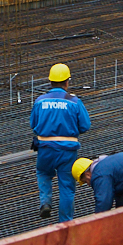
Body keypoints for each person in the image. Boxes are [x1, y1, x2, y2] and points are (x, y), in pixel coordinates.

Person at [30, 63, 90, 220]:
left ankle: (45, 202)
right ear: (67, 81)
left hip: (45, 148)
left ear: (50, 82)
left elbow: (33, 125)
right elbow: (85, 125)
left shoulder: (40, 101)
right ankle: (65, 222)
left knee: (43, 173)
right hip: (67, 151)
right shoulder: (74, 101)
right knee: (67, 187)